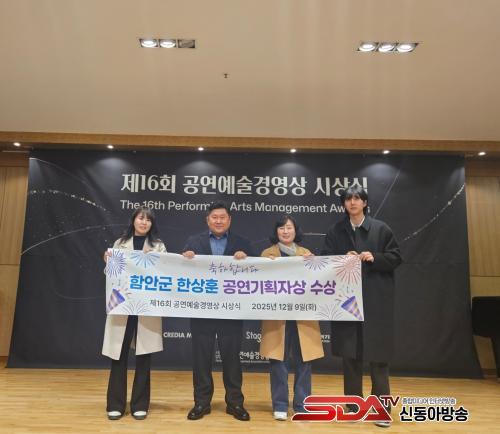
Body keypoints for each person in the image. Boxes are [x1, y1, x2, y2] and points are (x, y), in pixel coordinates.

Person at [321, 186, 402, 428]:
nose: (353, 202)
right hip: (347, 302)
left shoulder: (381, 228)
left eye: (357, 198)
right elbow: (324, 260)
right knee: (350, 357)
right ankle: (354, 406)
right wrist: (341, 258)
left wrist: (375, 257)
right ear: (343, 204)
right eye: (348, 199)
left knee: (379, 357)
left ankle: (381, 409)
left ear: (365, 203)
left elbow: (396, 257)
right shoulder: (336, 230)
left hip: (376, 301)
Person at [182, 201, 255, 421]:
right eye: (214, 217)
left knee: (232, 360)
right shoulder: (193, 242)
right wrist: (185, 259)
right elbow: (179, 273)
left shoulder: (243, 243)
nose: (219, 221)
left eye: (223, 217)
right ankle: (201, 403)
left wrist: (247, 260)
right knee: (201, 360)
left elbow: (257, 274)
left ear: (229, 220)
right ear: (208, 220)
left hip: (231, 311)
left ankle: (235, 403)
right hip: (202, 310)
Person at [102, 206, 166, 421]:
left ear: (152, 224)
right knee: (118, 355)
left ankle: (140, 404)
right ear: (133, 221)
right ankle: (115, 404)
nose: (144, 222)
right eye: (140, 218)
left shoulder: (158, 246)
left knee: (143, 356)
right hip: (123, 305)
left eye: (148, 220)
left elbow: (165, 273)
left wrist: (152, 260)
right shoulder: (119, 244)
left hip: (145, 307)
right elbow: (112, 275)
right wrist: (108, 261)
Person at [260, 215, 324, 421]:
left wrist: (314, 265)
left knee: (304, 360)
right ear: (276, 231)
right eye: (281, 228)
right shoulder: (266, 254)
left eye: (289, 228)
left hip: (302, 316)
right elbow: (258, 284)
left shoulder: (307, 254)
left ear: (296, 231)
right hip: (277, 316)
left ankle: (302, 405)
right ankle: (279, 404)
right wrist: (265, 267)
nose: (285, 231)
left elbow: (318, 284)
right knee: (277, 361)